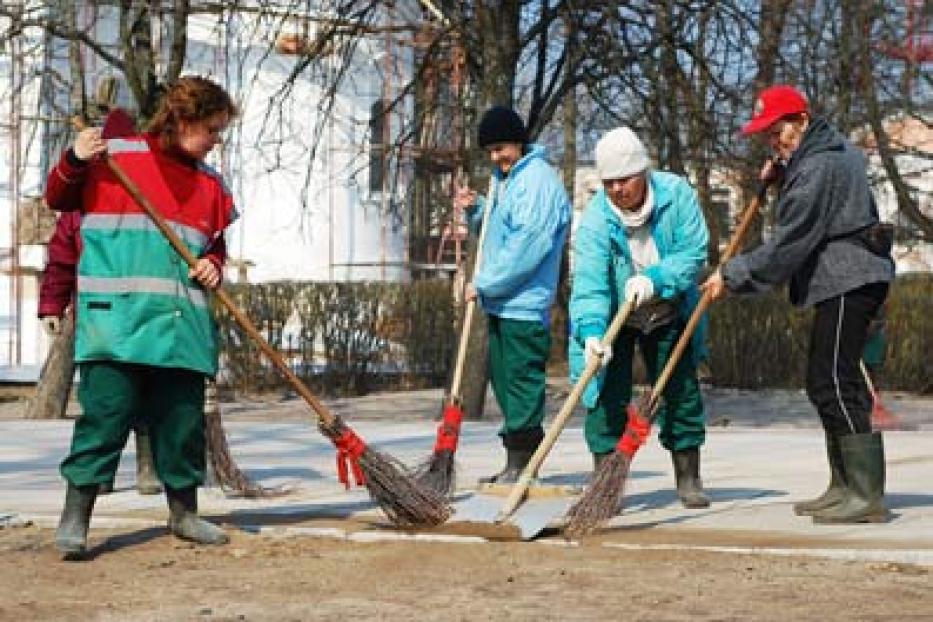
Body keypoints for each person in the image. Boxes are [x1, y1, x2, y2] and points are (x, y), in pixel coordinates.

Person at [45, 75, 239, 557]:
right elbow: (58, 198)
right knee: (105, 419)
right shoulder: (114, 159)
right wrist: (75, 158)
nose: (217, 141)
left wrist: (214, 267)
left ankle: (184, 513)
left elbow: (215, 246)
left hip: (182, 328)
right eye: (212, 129)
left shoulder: (212, 186)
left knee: (181, 424)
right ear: (183, 120)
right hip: (117, 325)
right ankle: (76, 517)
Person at [702, 85, 895, 523]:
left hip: (851, 277)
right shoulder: (823, 154)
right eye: (768, 135)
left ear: (802, 120)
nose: (775, 140)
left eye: (779, 130)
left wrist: (730, 276)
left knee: (833, 379)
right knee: (825, 379)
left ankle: (865, 494)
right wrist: (784, 173)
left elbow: (790, 243)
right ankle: (844, 484)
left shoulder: (820, 166)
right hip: (844, 278)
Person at [569, 126, 711, 508]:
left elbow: (693, 252)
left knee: (680, 392)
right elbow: (589, 283)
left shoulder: (676, 195)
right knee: (604, 396)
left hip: (668, 306)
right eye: (609, 182)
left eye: (624, 180)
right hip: (617, 314)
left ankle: (688, 476)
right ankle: (605, 484)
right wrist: (592, 333)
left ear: (643, 172)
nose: (617, 189)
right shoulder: (597, 218)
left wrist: (655, 280)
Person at [38, 111, 162, 497]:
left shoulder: (146, 205)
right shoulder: (77, 209)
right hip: (98, 318)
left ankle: (148, 467)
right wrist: (51, 307)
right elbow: (60, 260)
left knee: (145, 397)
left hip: (143, 316)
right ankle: (99, 474)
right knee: (104, 403)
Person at [453, 105, 570, 483]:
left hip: (524, 302)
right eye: (489, 151)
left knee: (521, 384)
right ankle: (514, 463)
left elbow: (527, 246)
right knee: (505, 385)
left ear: (518, 142)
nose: (496, 157)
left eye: (501, 148)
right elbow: (500, 228)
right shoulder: (509, 179)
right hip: (504, 302)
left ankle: (524, 466)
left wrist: (485, 283)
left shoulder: (537, 181)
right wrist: (478, 211)